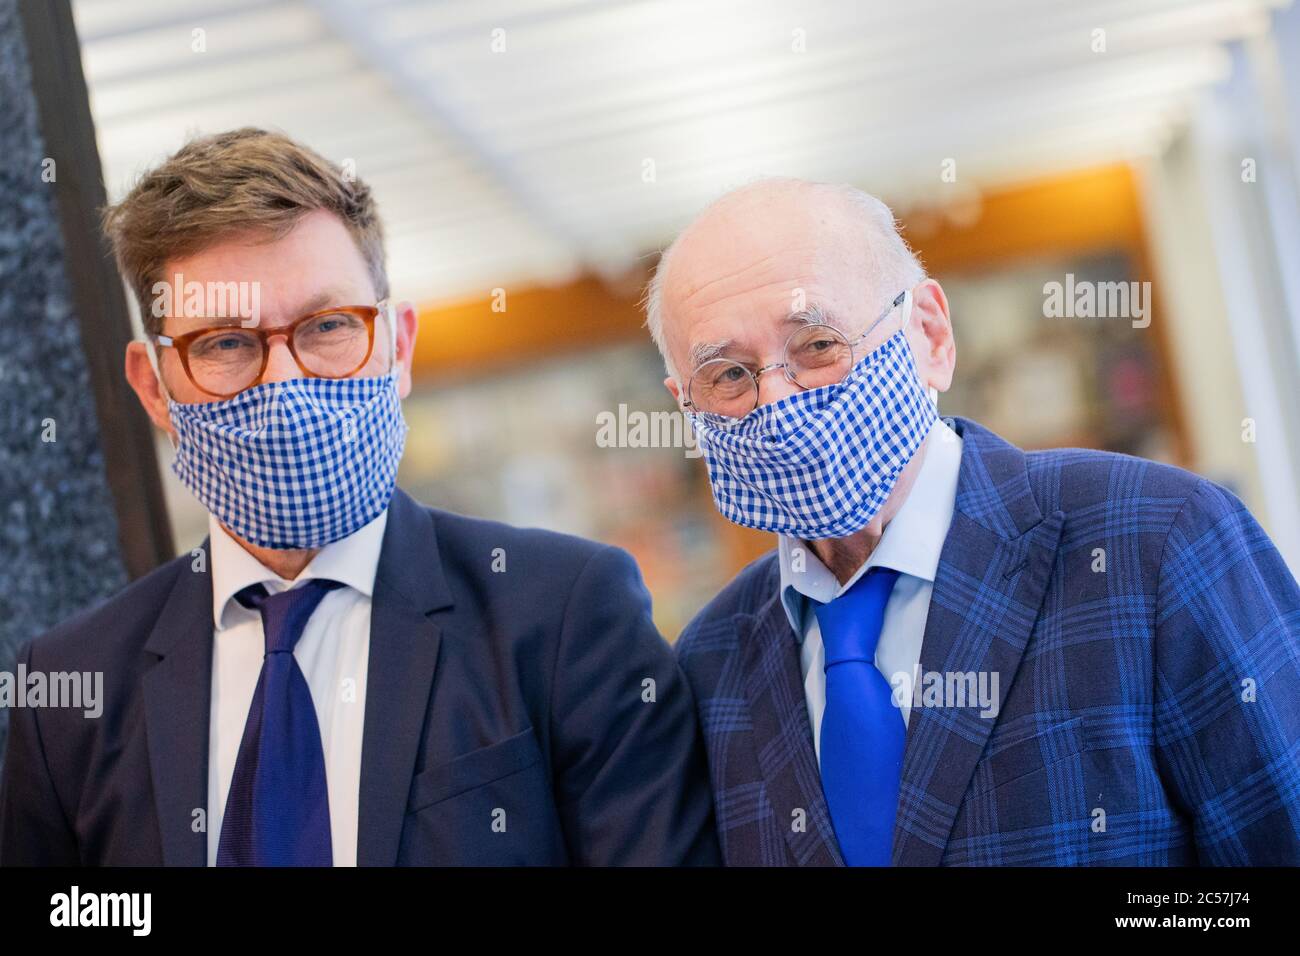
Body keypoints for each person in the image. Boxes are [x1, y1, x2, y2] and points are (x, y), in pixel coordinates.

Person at [0, 128, 719, 867]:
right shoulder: (73, 696)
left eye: (328, 326)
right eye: (224, 344)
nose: (285, 382)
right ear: (154, 386)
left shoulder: (560, 615)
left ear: (397, 347)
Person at [644, 176, 1300, 866]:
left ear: (928, 333)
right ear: (685, 407)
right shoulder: (710, 663)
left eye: (816, 345)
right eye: (729, 375)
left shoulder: (1156, 540)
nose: (777, 404)